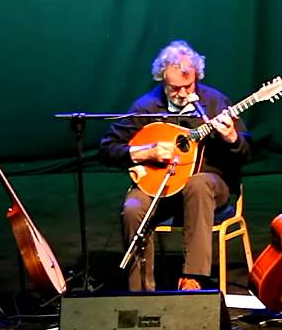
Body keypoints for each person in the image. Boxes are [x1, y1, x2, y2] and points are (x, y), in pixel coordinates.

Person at [100, 40, 252, 291]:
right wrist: (145, 152)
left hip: (210, 187)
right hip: (160, 187)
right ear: (162, 79)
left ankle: (194, 278)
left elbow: (247, 152)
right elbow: (107, 149)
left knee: (198, 183)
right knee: (132, 208)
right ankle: (139, 293)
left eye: (188, 86)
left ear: (197, 77)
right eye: (174, 88)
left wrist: (232, 138)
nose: (182, 93)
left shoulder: (215, 103)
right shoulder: (146, 107)